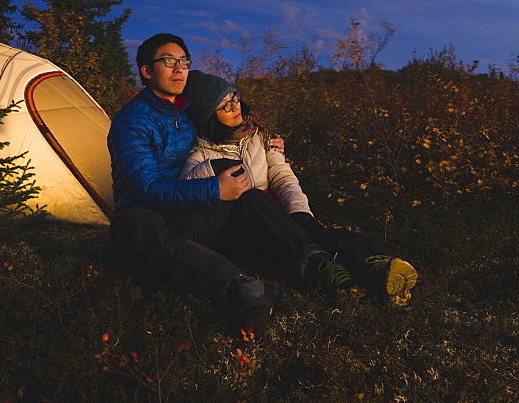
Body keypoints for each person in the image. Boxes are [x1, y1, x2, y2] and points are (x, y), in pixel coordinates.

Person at [108, 33, 360, 334]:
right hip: (149, 219)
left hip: (188, 216)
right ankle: (239, 286)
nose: (179, 69)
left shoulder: (189, 111)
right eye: (168, 62)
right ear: (147, 72)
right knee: (138, 223)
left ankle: (316, 262)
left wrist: (257, 131)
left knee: (243, 185)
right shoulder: (131, 122)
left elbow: (222, 111)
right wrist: (213, 189)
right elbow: (146, 189)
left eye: (184, 62)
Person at [181, 70, 419, 306]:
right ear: (210, 118)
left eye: (234, 97)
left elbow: (282, 176)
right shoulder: (201, 153)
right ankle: (328, 272)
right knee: (252, 197)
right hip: (246, 231)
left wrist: (300, 211)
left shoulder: (258, 135)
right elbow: (185, 186)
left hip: (277, 220)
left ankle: (374, 264)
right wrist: (213, 169)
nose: (235, 107)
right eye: (225, 106)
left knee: (313, 230)